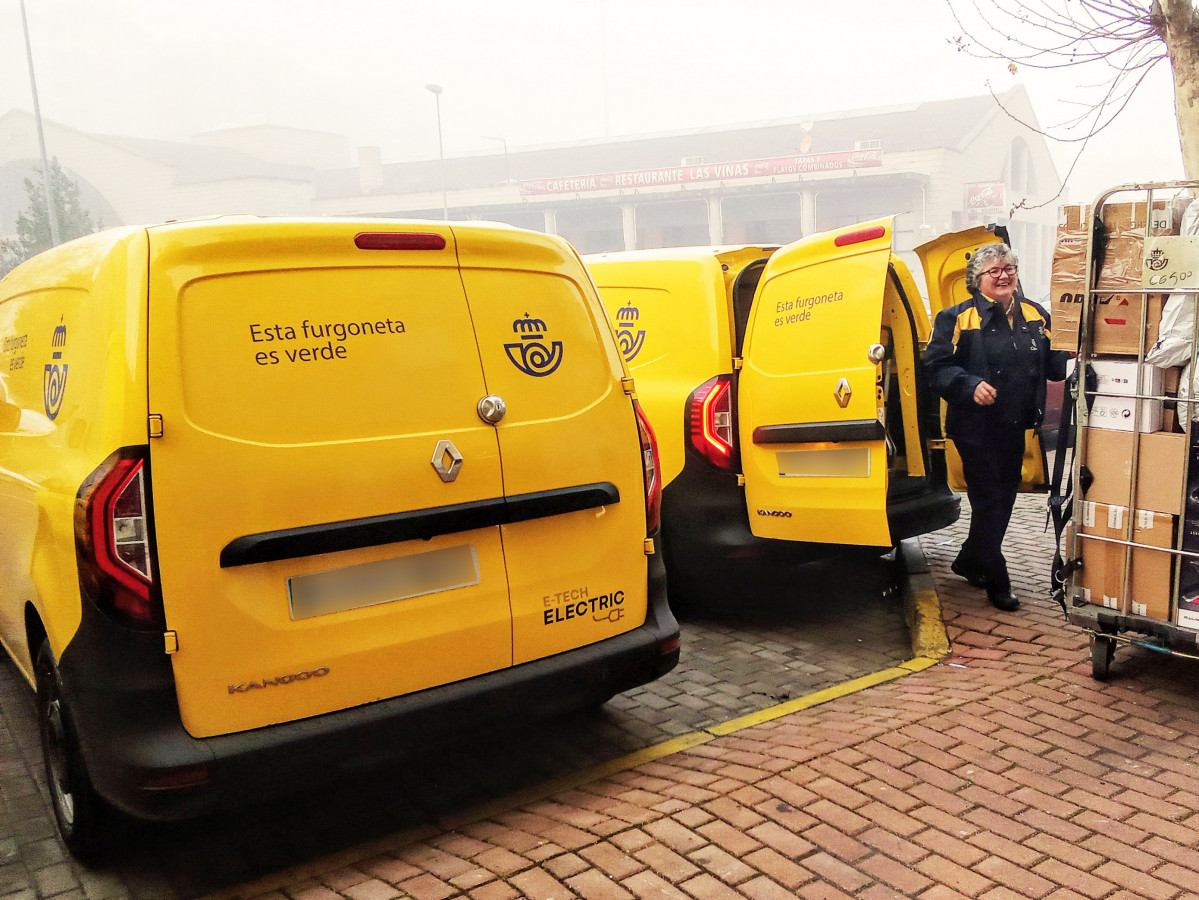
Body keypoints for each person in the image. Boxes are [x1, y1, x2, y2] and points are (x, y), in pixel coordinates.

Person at [924, 243, 1069, 611]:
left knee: (1002, 499)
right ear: (978, 280)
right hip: (974, 428)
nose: (1004, 275)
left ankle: (970, 559)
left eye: (1009, 268)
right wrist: (969, 384)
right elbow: (935, 368)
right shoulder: (957, 318)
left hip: (1015, 424)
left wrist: (1075, 354)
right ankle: (997, 577)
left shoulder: (1035, 314)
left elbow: (1053, 365)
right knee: (989, 499)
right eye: (995, 271)